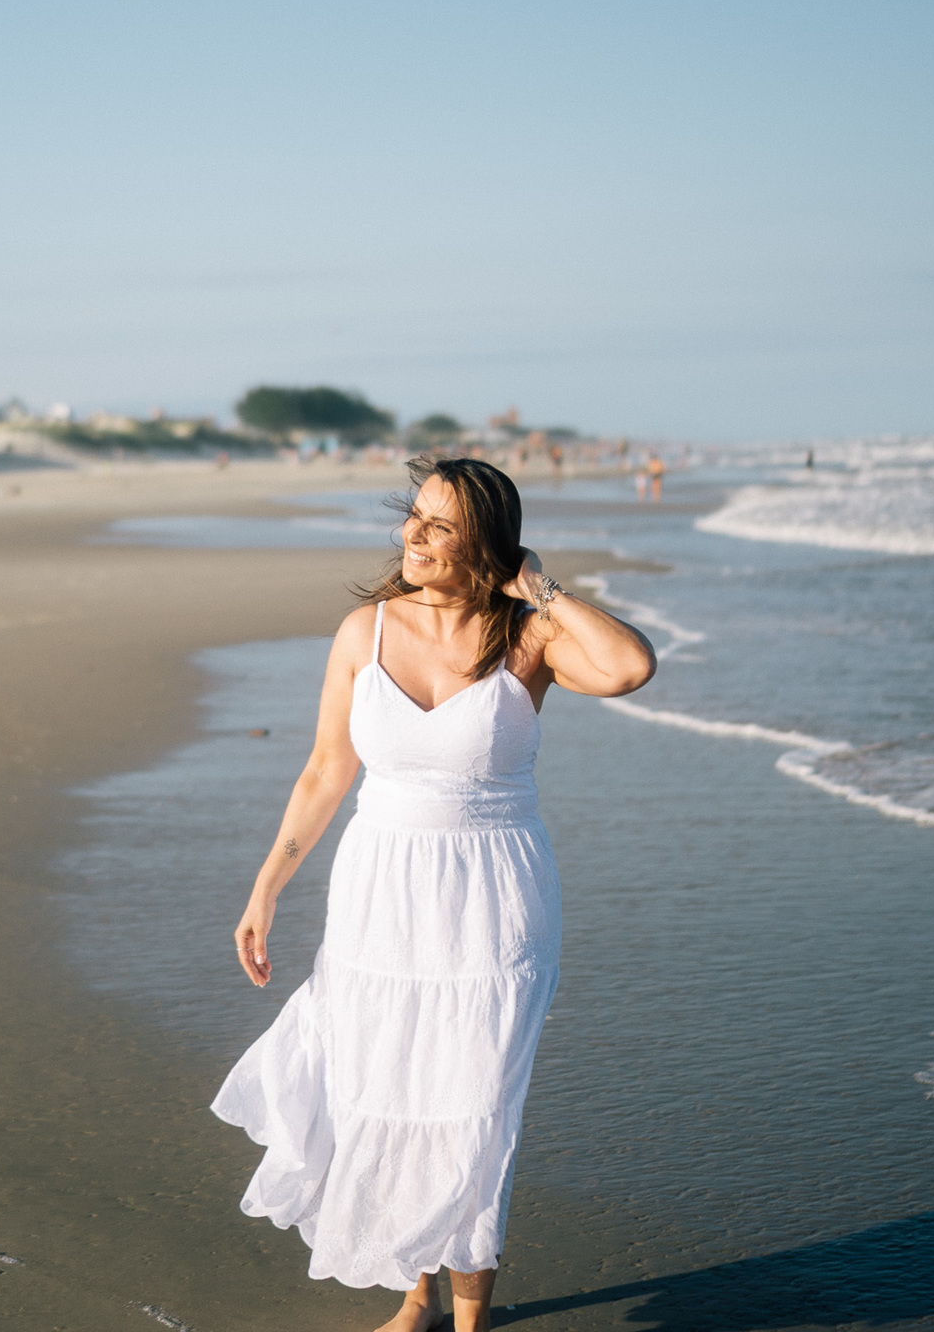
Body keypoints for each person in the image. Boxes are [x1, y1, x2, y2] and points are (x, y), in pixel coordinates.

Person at [212, 456, 655, 1332]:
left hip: (495, 904)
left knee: (472, 1108)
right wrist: (266, 888)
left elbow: (631, 666)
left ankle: (469, 1318)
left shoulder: (531, 637)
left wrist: (545, 589)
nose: (411, 534)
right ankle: (415, 1293)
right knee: (388, 1089)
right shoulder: (364, 631)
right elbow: (326, 770)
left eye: (438, 524)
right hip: (380, 895)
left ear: (485, 543)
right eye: (411, 516)